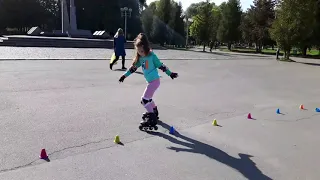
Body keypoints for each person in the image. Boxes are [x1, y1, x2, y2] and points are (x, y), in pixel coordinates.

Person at [118, 33, 179, 126]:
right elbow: (132, 69)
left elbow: (161, 66)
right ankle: (154, 111)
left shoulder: (151, 56)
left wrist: (170, 73)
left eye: (142, 51)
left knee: (144, 100)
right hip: (151, 82)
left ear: (146, 48)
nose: (140, 53)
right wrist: (124, 76)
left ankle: (152, 118)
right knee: (148, 99)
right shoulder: (141, 58)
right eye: (138, 51)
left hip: (155, 81)